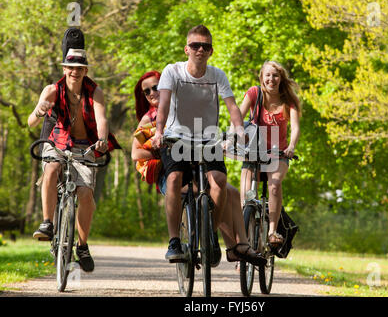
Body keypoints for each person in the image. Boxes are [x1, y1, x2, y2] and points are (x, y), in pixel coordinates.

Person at [132, 71, 265, 266]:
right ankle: (201, 238)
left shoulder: (181, 109)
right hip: (168, 174)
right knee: (202, 191)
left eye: (156, 86)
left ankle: (236, 246)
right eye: (147, 91)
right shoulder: (148, 120)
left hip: (194, 169)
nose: (152, 92)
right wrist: (163, 151)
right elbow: (136, 154)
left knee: (231, 193)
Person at [151, 25, 245, 265]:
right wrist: (159, 131)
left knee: (220, 181)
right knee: (173, 179)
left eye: (205, 46)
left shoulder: (217, 75)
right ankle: (174, 241)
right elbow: (162, 106)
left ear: (211, 51)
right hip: (175, 136)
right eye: (195, 45)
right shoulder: (172, 71)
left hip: (207, 138)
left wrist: (240, 130)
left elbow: (232, 106)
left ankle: (211, 234)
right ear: (187, 49)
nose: (200, 50)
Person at [28, 48, 120, 272]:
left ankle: (82, 245)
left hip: (84, 145)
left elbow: (102, 119)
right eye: (70, 67)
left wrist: (101, 139)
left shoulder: (95, 91)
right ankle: (47, 222)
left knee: (85, 193)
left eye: (79, 68)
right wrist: (40, 110)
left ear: (85, 70)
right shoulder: (52, 90)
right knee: (51, 169)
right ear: (64, 69)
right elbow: (31, 121)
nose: (74, 71)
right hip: (56, 143)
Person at [239, 60, 301, 248]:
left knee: (274, 186)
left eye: (275, 75)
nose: (271, 79)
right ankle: (244, 241)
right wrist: (231, 139)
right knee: (246, 196)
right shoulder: (254, 94)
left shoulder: (289, 101)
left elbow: (296, 127)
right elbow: (237, 118)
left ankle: (273, 231)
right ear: (262, 77)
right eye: (267, 75)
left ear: (281, 78)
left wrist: (291, 146)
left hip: (278, 154)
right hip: (253, 152)